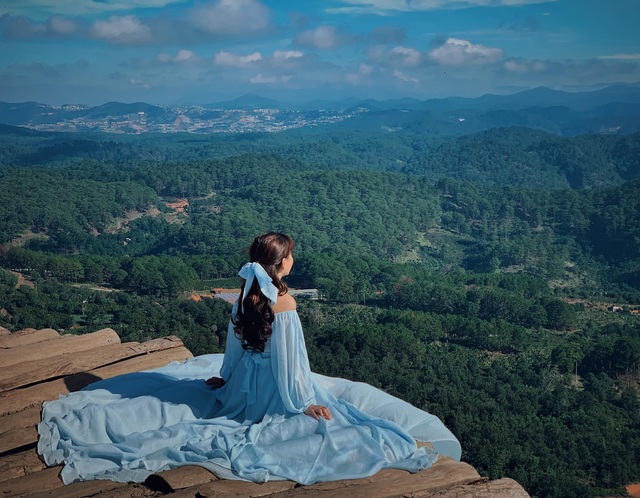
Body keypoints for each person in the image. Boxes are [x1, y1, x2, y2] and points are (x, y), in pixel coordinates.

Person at [38, 232, 459, 485]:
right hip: (274, 391)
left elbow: (235, 344)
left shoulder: (244, 295)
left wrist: (226, 376)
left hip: (241, 385)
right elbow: (291, 365)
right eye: (291, 255)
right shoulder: (285, 304)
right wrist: (300, 403)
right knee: (359, 430)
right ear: (282, 264)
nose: (295, 259)